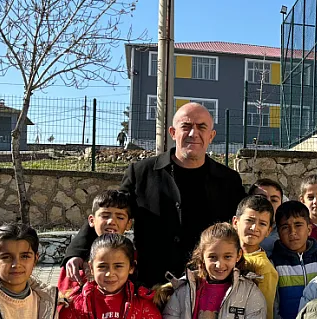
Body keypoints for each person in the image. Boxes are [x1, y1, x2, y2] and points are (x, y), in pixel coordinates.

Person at [62, 102, 245, 288]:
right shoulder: (141, 173)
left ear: (211, 135)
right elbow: (110, 211)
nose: (193, 133)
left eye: (201, 127)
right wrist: (77, 251)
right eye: (186, 126)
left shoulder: (228, 180)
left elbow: (243, 224)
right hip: (150, 284)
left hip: (206, 286)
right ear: (173, 132)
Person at [233, 194, 279, 319]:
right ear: (235, 222)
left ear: (269, 231)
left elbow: (264, 317)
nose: (254, 228)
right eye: (250, 220)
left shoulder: (264, 269)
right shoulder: (221, 254)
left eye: (262, 224)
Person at [57, 190, 134, 296]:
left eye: (120, 217)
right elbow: (64, 299)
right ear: (91, 220)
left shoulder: (132, 257)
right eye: (105, 216)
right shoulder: (76, 263)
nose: (111, 221)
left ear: (128, 224)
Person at [250, 178, 285, 255]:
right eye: (261, 198)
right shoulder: (239, 231)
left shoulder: (287, 232)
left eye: (274, 200)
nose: (268, 203)